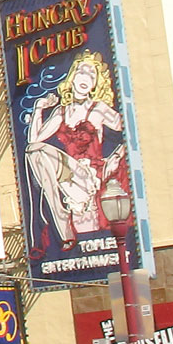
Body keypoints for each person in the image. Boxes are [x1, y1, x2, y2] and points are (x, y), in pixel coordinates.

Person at [24, 51, 126, 251]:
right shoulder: (61, 111)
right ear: (72, 77)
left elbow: (131, 129)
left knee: (37, 151)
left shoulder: (99, 109)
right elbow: (33, 140)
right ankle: (60, 217)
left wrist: (115, 157)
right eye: (81, 72)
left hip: (91, 173)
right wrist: (38, 109)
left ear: (95, 84)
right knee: (34, 151)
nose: (85, 78)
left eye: (91, 75)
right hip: (70, 172)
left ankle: (62, 216)